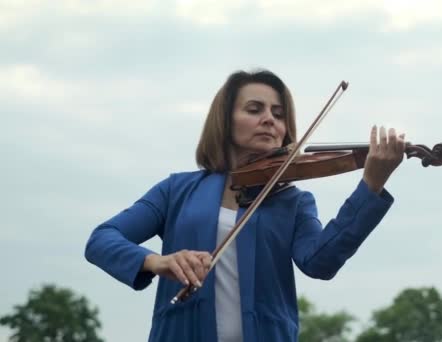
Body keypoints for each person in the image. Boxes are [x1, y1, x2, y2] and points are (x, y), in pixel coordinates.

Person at [85, 69, 406, 342]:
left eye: (278, 115)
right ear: (225, 121)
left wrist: (371, 185)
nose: (269, 119)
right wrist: (158, 262)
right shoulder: (177, 190)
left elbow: (320, 262)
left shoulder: (293, 201)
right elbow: (102, 239)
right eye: (255, 109)